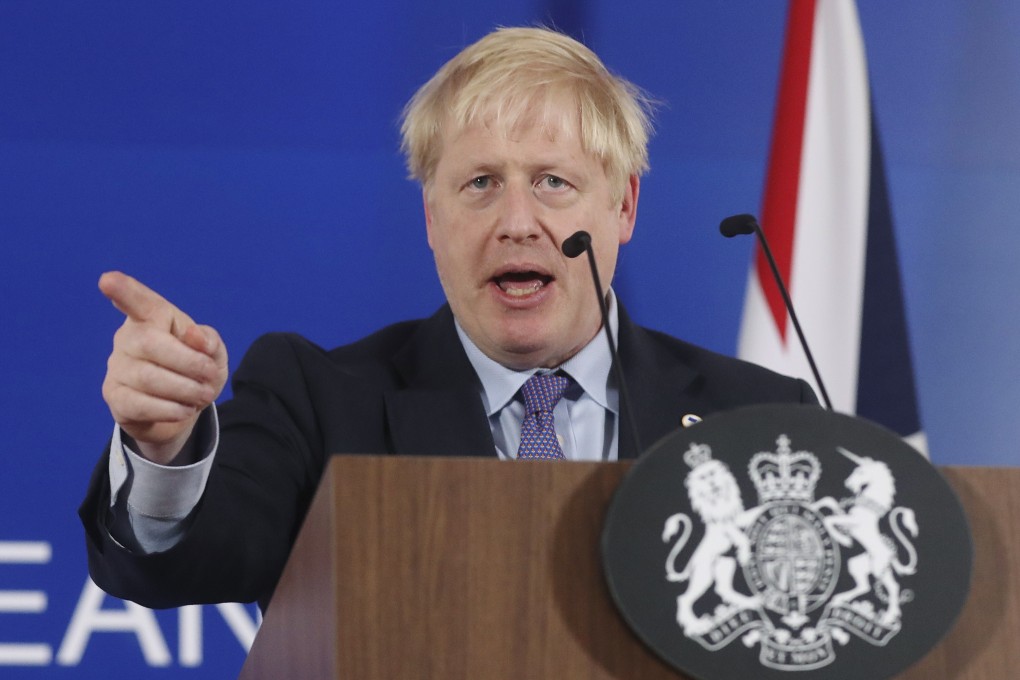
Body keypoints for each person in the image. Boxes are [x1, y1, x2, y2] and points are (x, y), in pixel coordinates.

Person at [80, 26, 816, 612]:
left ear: (623, 206)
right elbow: (192, 560)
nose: (517, 222)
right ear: (432, 218)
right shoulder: (321, 400)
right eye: (480, 184)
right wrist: (167, 452)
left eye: (553, 182)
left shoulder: (754, 417)